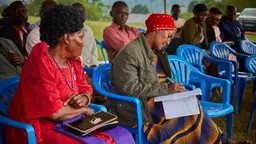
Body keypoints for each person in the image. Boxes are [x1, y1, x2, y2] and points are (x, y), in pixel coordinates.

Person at [6, 5, 134, 144]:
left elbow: (84, 86)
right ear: (66, 38)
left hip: (71, 118)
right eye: (80, 37)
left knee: (123, 136)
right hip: (39, 125)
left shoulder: (73, 61)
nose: (83, 44)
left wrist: (85, 98)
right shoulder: (40, 62)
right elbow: (54, 113)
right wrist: (84, 110)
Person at [111, 13, 234, 144]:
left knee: (194, 106)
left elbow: (166, 78)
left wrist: (175, 87)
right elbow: (130, 89)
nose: (169, 41)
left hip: (159, 98)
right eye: (169, 36)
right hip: (140, 107)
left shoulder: (158, 51)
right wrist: (167, 88)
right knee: (186, 116)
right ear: (157, 30)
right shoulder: (130, 54)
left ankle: (220, 140)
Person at [71, 3, 99, 67]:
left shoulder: (88, 30)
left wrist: (93, 65)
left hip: (88, 67)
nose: (83, 14)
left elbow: (93, 51)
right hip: (74, 68)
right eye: (79, 12)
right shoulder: (67, 32)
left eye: (83, 12)